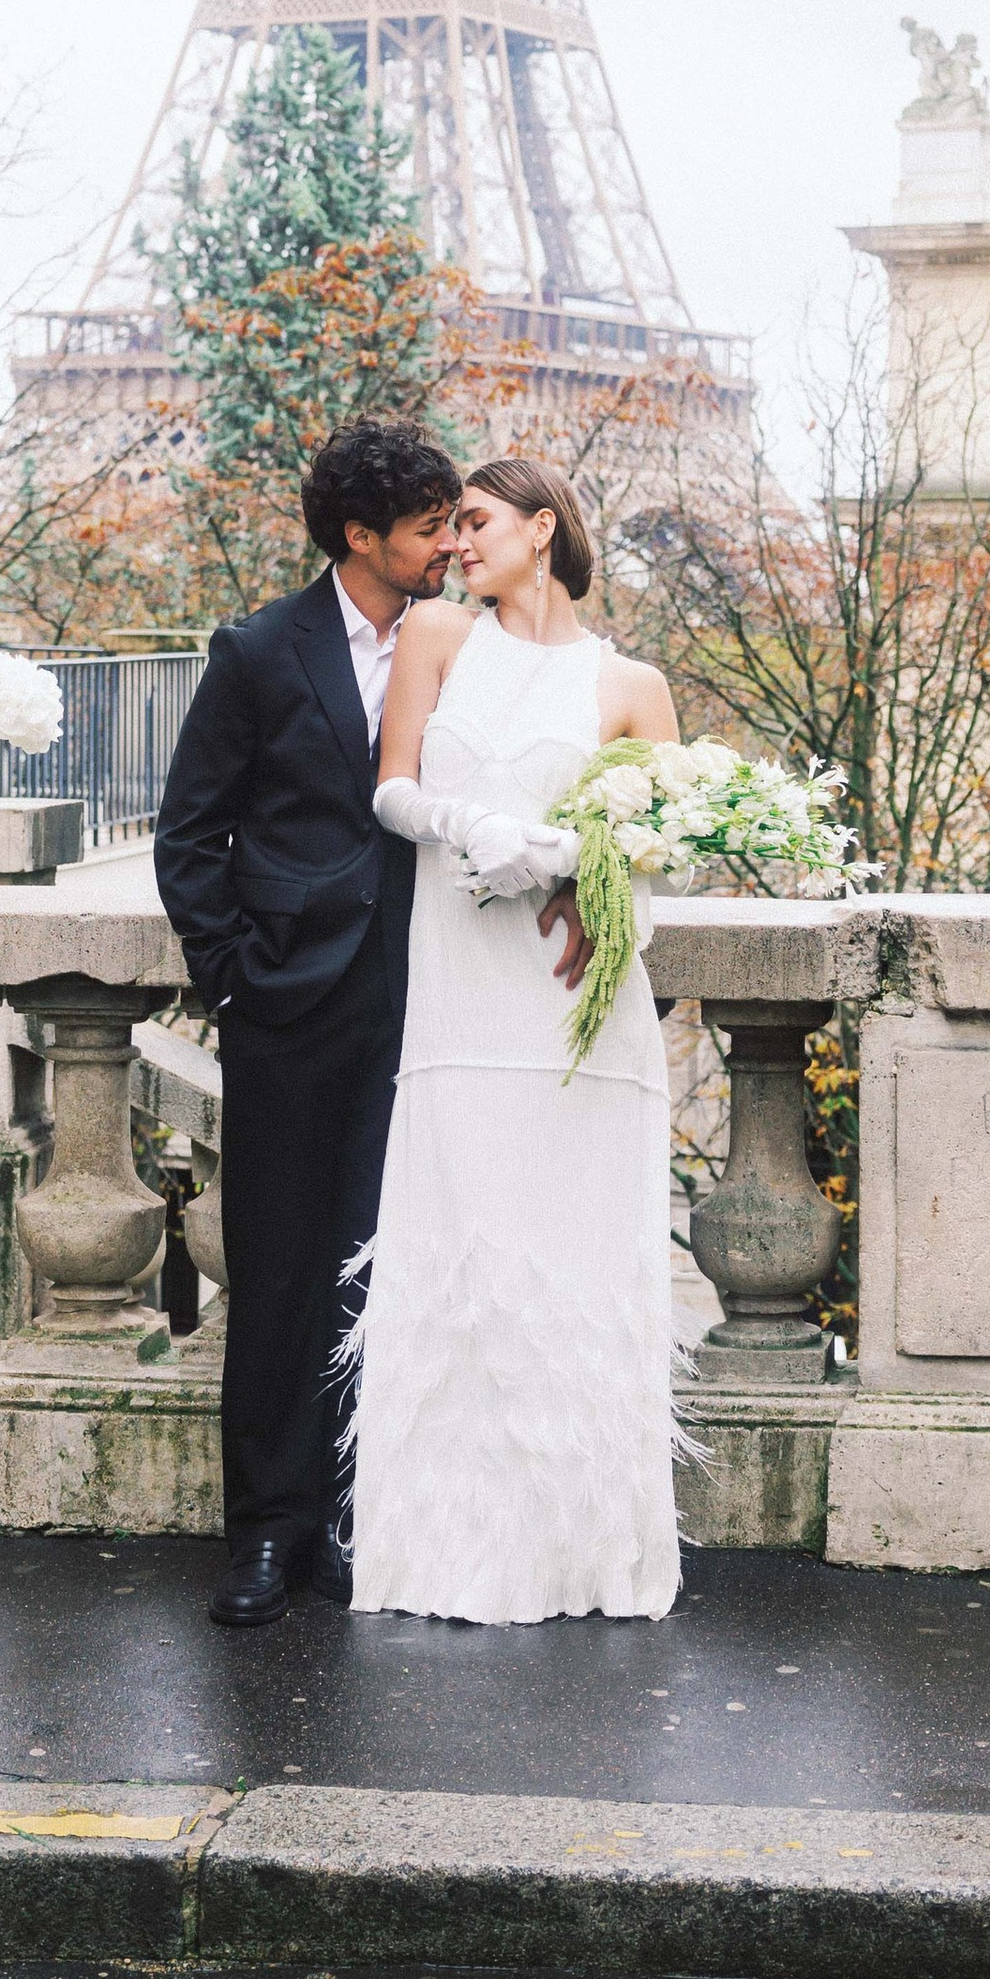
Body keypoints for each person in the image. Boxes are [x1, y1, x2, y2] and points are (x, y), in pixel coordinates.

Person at [350, 454, 684, 1624]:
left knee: (574, 1267)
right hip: (460, 1007)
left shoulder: (631, 686)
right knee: (464, 1253)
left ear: (543, 530)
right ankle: (443, 1553)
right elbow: (390, 789)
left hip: (569, 1019)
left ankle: (579, 1554)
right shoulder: (438, 638)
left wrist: (570, 867)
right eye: (446, 530)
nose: (452, 545)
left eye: (476, 523)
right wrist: (477, 825)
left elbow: (654, 868)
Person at [152, 415, 463, 1629]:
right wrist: (233, 978)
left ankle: (351, 1515)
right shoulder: (259, 651)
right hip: (288, 1005)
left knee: (380, 1273)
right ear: (360, 536)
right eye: (430, 526)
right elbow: (192, 834)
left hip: (427, 1004)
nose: (448, 544)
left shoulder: (466, 647)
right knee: (278, 1273)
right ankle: (266, 1532)